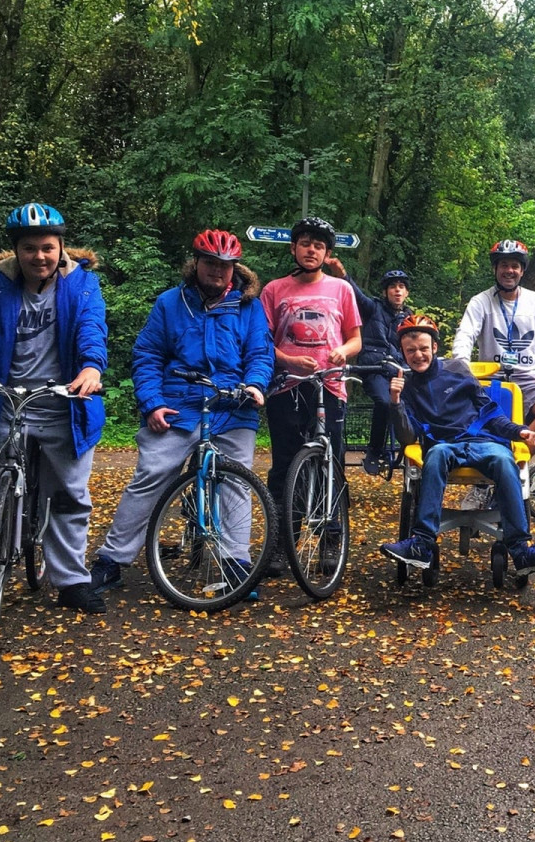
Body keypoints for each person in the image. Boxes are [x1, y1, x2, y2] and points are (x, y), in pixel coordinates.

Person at [0, 203, 109, 618]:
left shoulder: (82, 284)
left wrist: (90, 367)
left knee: (70, 495)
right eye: (29, 248)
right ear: (15, 251)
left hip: (63, 403)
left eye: (48, 247)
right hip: (7, 401)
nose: (40, 257)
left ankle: (71, 581)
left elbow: (92, 328)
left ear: (61, 247)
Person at [89, 230, 273, 594]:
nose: (217, 271)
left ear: (235, 268)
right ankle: (111, 560)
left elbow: (260, 353)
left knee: (236, 479)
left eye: (225, 265)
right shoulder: (170, 303)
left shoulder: (248, 307)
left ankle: (237, 563)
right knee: (152, 474)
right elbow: (147, 355)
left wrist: (255, 384)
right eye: (210, 263)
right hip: (180, 404)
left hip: (232, 405)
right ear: (197, 263)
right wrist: (152, 403)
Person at [380, 315, 535, 577]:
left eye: (423, 348)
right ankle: (422, 544)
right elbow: (408, 438)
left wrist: (518, 430)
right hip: (443, 445)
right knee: (436, 455)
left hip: (482, 441)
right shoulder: (405, 388)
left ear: (434, 348)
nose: (418, 355)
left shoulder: (457, 370)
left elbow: (489, 412)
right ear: (403, 353)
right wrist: (395, 402)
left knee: (503, 459)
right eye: (411, 350)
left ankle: (521, 550)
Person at [260, 216, 363, 517]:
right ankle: (283, 540)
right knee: (285, 464)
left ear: (327, 254)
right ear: (293, 248)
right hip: (287, 384)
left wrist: (343, 351)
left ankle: (331, 537)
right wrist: (289, 360)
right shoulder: (274, 290)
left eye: (319, 246)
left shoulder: (341, 289)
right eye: (305, 244)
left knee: (331, 461)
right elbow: (262, 342)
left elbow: (356, 339)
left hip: (329, 385)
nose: (311, 251)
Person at [451, 239, 535, 449]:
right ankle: (490, 464)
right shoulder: (481, 301)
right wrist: (461, 364)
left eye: (515, 266)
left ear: (522, 271)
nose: (509, 270)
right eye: (504, 265)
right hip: (492, 378)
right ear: (495, 268)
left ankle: (516, 465)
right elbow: (465, 335)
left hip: (530, 379)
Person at [334, 265, 412, 476]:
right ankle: (374, 450)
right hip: (374, 368)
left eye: (401, 287)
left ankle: (416, 447)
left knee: (417, 402)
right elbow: (357, 295)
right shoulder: (373, 308)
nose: (397, 290)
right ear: (386, 291)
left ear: (406, 293)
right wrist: (343, 274)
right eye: (393, 287)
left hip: (399, 371)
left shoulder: (410, 318)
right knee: (385, 402)